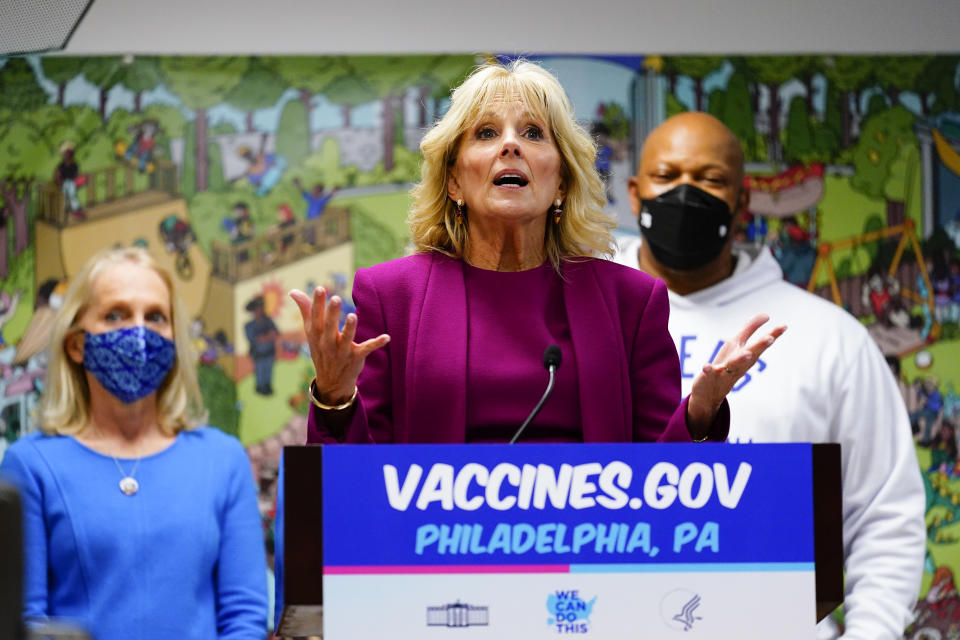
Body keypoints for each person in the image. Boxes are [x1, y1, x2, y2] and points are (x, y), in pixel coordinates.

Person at [291, 61, 783, 446]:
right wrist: (334, 396)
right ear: (455, 181)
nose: (510, 145)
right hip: (435, 563)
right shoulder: (392, 296)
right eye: (486, 133)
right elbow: (352, 490)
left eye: (533, 133)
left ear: (562, 182)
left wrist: (700, 412)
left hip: (588, 562)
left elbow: (659, 487)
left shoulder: (631, 302)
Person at [614, 111, 925, 639]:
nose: (685, 195)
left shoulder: (828, 337)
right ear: (635, 194)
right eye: (667, 177)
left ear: (743, 201)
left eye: (709, 180)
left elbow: (885, 514)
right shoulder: (575, 319)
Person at [0, 247, 267, 639]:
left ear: (175, 338)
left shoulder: (222, 459)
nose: (139, 333)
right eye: (116, 315)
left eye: (156, 317)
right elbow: (24, 621)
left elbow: (244, 617)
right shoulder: (31, 464)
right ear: (76, 344)